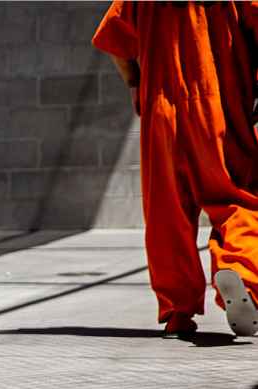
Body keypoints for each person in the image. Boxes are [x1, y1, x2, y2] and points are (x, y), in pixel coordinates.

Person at [94, 1, 258, 337]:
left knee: (166, 214)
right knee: (236, 196)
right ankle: (239, 270)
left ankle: (177, 311)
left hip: (162, 109)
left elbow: (115, 38)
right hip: (221, 107)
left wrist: (134, 83)